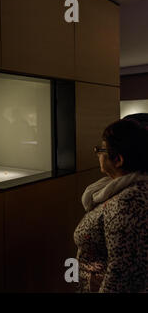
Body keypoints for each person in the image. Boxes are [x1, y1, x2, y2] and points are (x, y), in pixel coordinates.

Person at [74, 119, 148, 292]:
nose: (97, 153)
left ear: (118, 160)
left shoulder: (129, 203)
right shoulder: (121, 188)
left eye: (101, 149)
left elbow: (121, 276)